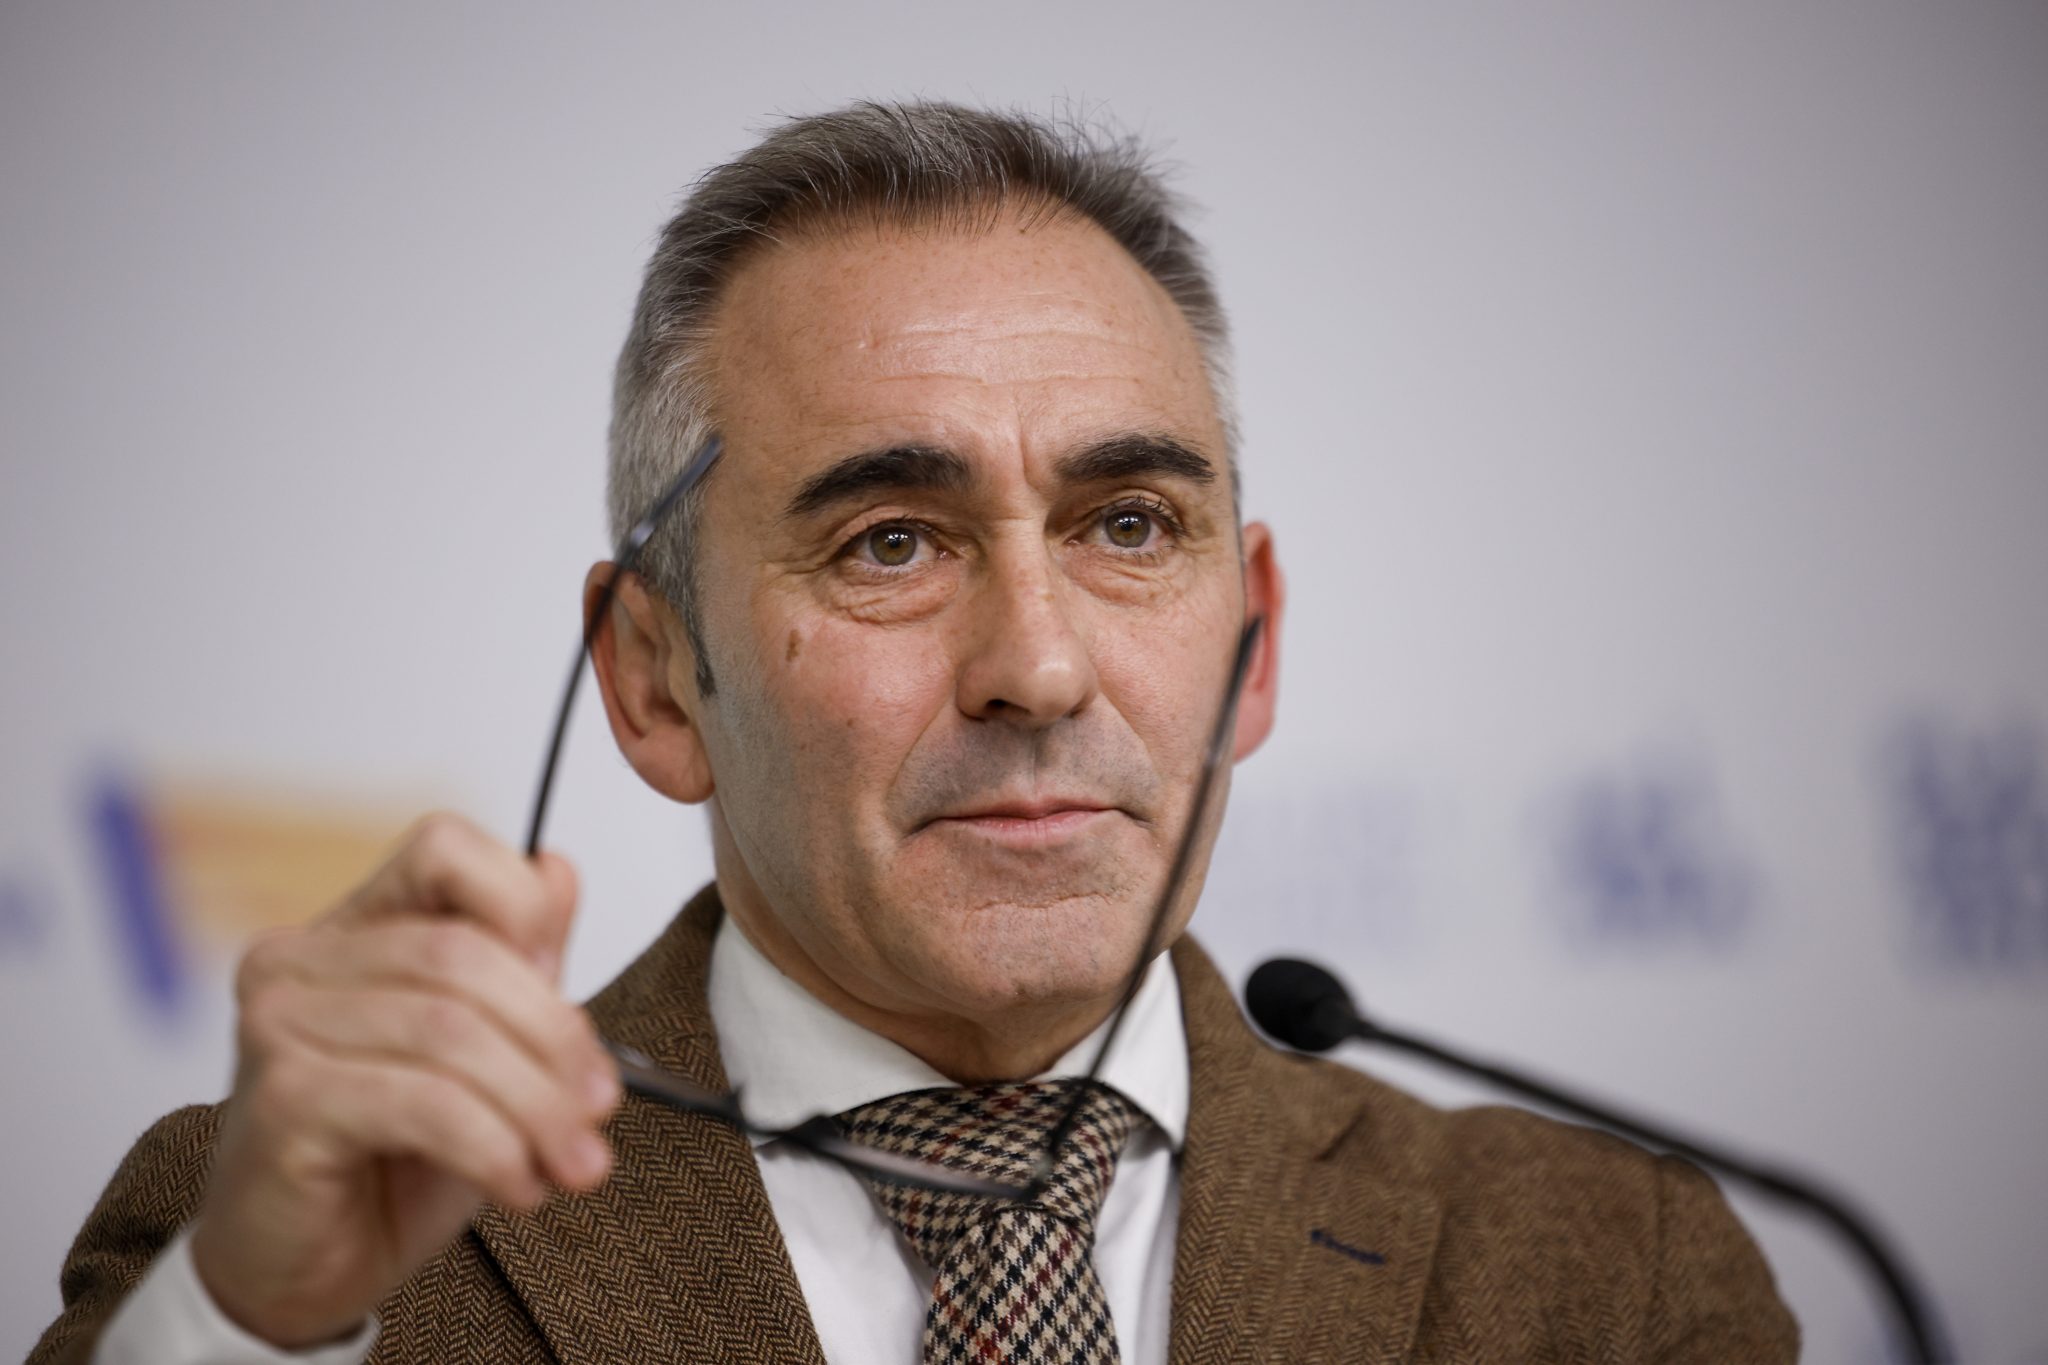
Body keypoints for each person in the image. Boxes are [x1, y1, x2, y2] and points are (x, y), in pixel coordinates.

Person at [30, 101, 1797, 1365]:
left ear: (1253, 645)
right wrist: (254, 1324)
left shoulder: (1605, 1273)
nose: (1040, 666)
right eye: (891, 543)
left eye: (1128, 526)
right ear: (652, 675)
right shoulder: (299, 1243)